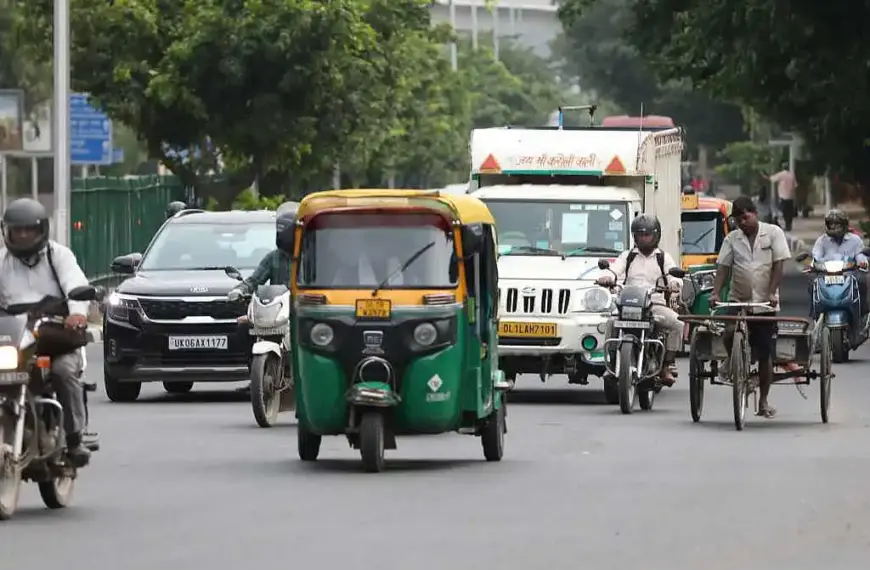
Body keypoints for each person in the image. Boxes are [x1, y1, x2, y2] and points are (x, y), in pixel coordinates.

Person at [0, 198, 92, 466]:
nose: (23, 235)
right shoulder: (2, 261)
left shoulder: (58, 255)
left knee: (64, 371)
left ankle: (74, 440)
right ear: (8, 231)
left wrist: (77, 314)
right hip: (15, 336)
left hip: (56, 336)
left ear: (41, 230)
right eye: (18, 230)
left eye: (29, 229)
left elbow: (76, 284)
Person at [710, 195, 793, 419]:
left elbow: (778, 265)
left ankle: (763, 401)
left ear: (754, 213)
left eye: (745, 217)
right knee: (728, 333)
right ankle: (733, 361)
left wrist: (772, 293)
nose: (742, 222)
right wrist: (716, 292)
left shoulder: (773, 233)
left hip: (765, 303)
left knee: (766, 353)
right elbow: (723, 268)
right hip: (738, 300)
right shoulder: (732, 239)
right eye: (738, 219)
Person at [596, 214, 683, 386]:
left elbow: (674, 276)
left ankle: (666, 365)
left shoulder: (663, 258)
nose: (643, 238)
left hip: (654, 305)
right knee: (611, 323)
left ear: (656, 235)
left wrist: (674, 284)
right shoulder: (627, 256)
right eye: (639, 234)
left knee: (677, 323)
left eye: (647, 234)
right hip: (628, 305)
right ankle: (612, 364)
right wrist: (606, 277)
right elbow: (613, 271)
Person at [227, 202, 298, 394]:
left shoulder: (309, 256)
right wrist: (240, 290)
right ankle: (256, 376)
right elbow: (254, 280)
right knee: (243, 329)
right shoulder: (273, 258)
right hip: (276, 310)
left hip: (301, 312)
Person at [810, 209, 869, 319]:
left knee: (862, 283)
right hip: (826, 277)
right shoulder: (822, 241)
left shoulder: (855, 240)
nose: (833, 226)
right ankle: (815, 315)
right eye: (830, 223)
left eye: (836, 224)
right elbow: (815, 257)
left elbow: (861, 255)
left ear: (844, 225)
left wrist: (862, 263)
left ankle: (862, 316)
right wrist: (812, 265)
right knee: (812, 284)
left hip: (849, 276)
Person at [768, 164, 797, 231]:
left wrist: (767, 176)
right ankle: (789, 225)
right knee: (790, 212)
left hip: (783, 196)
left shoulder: (781, 174)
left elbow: (773, 179)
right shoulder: (792, 175)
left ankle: (787, 225)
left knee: (784, 212)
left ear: (783, 168)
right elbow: (795, 185)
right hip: (791, 196)